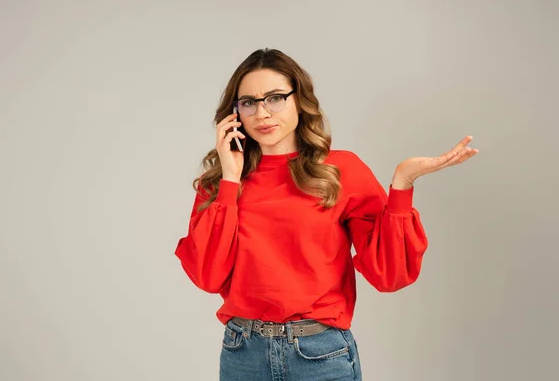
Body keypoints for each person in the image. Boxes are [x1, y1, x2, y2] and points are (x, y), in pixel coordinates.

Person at [174, 48, 477, 381]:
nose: (262, 112)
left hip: (319, 354)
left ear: (299, 100)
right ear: (235, 114)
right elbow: (208, 275)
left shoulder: (339, 170)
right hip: (243, 354)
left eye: (275, 98)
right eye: (248, 102)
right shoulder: (219, 183)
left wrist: (402, 184)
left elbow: (389, 274)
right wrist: (231, 180)